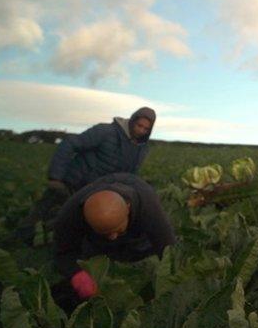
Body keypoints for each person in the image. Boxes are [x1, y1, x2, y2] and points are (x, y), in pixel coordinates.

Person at [17, 107, 157, 244]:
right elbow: (70, 143)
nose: (141, 131)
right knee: (40, 214)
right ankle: (13, 241)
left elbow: (129, 175)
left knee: (67, 224)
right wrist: (56, 177)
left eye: (146, 129)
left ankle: (43, 244)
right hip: (72, 183)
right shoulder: (106, 131)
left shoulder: (141, 149)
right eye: (140, 125)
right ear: (132, 120)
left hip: (95, 193)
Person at [52, 172, 176, 302]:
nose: (113, 237)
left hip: (138, 236)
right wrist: (77, 275)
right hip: (97, 245)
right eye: (105, 232)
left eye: (118, 230)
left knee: (141, 255)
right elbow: (62, 252)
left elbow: (169, 250)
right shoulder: (69, 214)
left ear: (128, 208)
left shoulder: (148, 205)